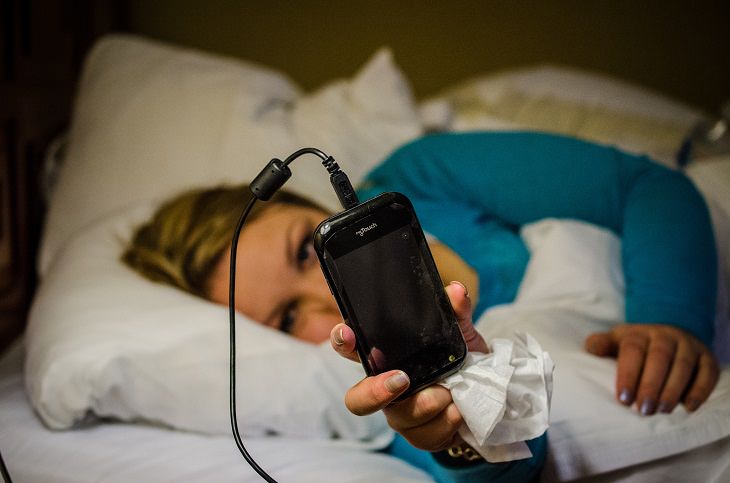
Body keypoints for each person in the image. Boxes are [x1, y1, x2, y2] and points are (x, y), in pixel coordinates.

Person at [123, 131, 720, 482]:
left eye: (308, 251)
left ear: (315, 203)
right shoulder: (378, 388)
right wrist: (461, 437)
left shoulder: (419, 176)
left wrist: (668, 315)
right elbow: (503, 468)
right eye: (286, 319)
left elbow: (647, 187)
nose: (327, 297)